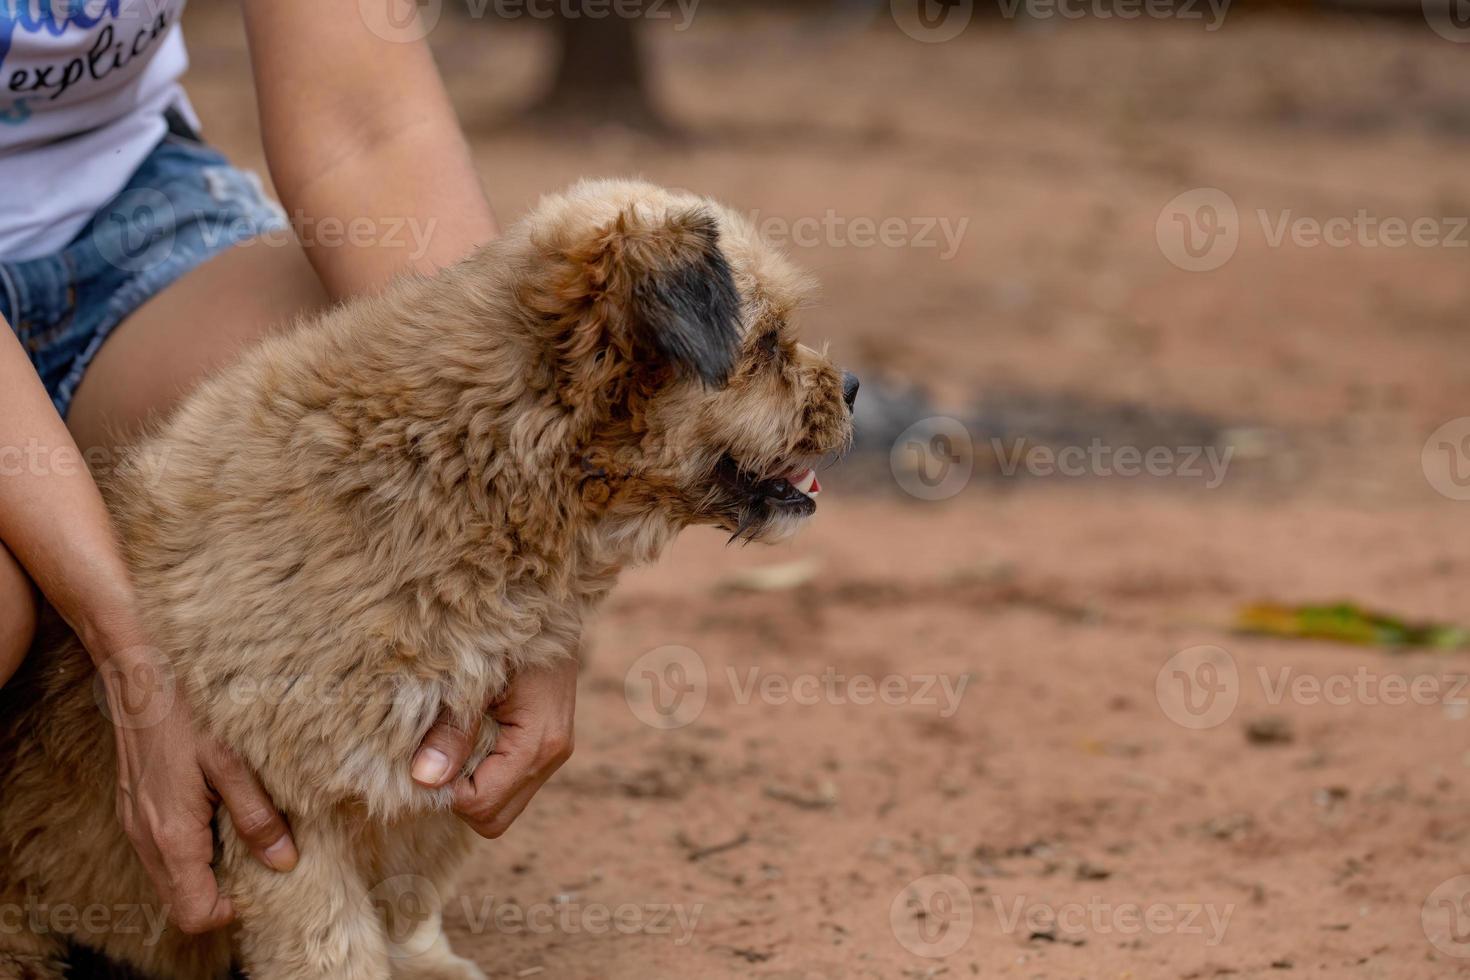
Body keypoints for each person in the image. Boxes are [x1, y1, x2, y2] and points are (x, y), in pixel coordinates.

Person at [0, 0, 576, 936]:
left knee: (374, 448)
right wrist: (129, 651)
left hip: (127, 208)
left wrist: (519, 544)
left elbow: (372, 126)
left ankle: (302, 865)